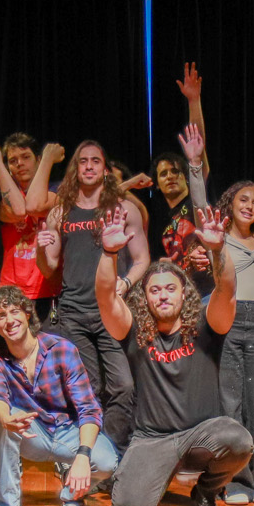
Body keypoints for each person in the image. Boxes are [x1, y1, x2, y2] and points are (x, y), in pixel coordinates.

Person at [94, 206, 251, 506]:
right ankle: (148, 477)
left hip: (202, 436)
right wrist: (109, 253)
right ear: (145, 298)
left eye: (170, 289)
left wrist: (219, 249)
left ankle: (206, 491)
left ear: (184, 294)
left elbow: (227, 290)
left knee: (238, 440)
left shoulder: (206, 325)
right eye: (154, 290)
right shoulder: (134, 330)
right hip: (153, 439)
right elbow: (106, 296)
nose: (162, 296)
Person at [38, 139, 148, 453]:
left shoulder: (124, 209)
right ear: (75, 169)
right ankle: (89, 454)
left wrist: (125, 283)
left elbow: (142, 259)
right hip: (73, 311)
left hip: (111, 311)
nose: (88, 166)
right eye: (82, 161)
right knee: (89, 387)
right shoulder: (60, 212)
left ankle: (112, 451)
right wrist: (39, 248)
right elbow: (49, 267)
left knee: (123, 385)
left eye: (95, 161)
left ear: (105, 169)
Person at [0, 285, 120, 506]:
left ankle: (72, 490)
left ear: (27, 314)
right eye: (1, 316)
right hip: (31, 433)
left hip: (67, 431)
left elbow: (88, 408)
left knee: (107, 462)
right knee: (3, 417)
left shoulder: (61, 349)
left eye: (14, 311)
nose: (10, 320)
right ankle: (7, 505)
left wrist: (83, 456)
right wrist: (6, 418)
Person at [214, 177, 254, 505]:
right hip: (230, 321)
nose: (249, 206)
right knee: (231, 404)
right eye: (243, 199)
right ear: (230, 203)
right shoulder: (219, 240)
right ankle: (234, 480)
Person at [150, 65, 215, 285]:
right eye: (163, 174)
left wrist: (194, 101)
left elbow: (198, 147)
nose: (170, 176)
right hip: (181, 290)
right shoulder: (159, 219)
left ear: (187, 177)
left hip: (208, 287)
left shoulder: (197, 197)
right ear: (157, 184)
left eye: (176, 171)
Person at [0, 135, 65, 321]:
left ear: (38, 160)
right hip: (11, 289)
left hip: (46, 288)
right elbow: (18, 211)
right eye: (12, 161)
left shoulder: (58, 191)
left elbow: (35, 206)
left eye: (26, 157)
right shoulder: (2, 197)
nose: (20, 164)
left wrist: (47, 158)